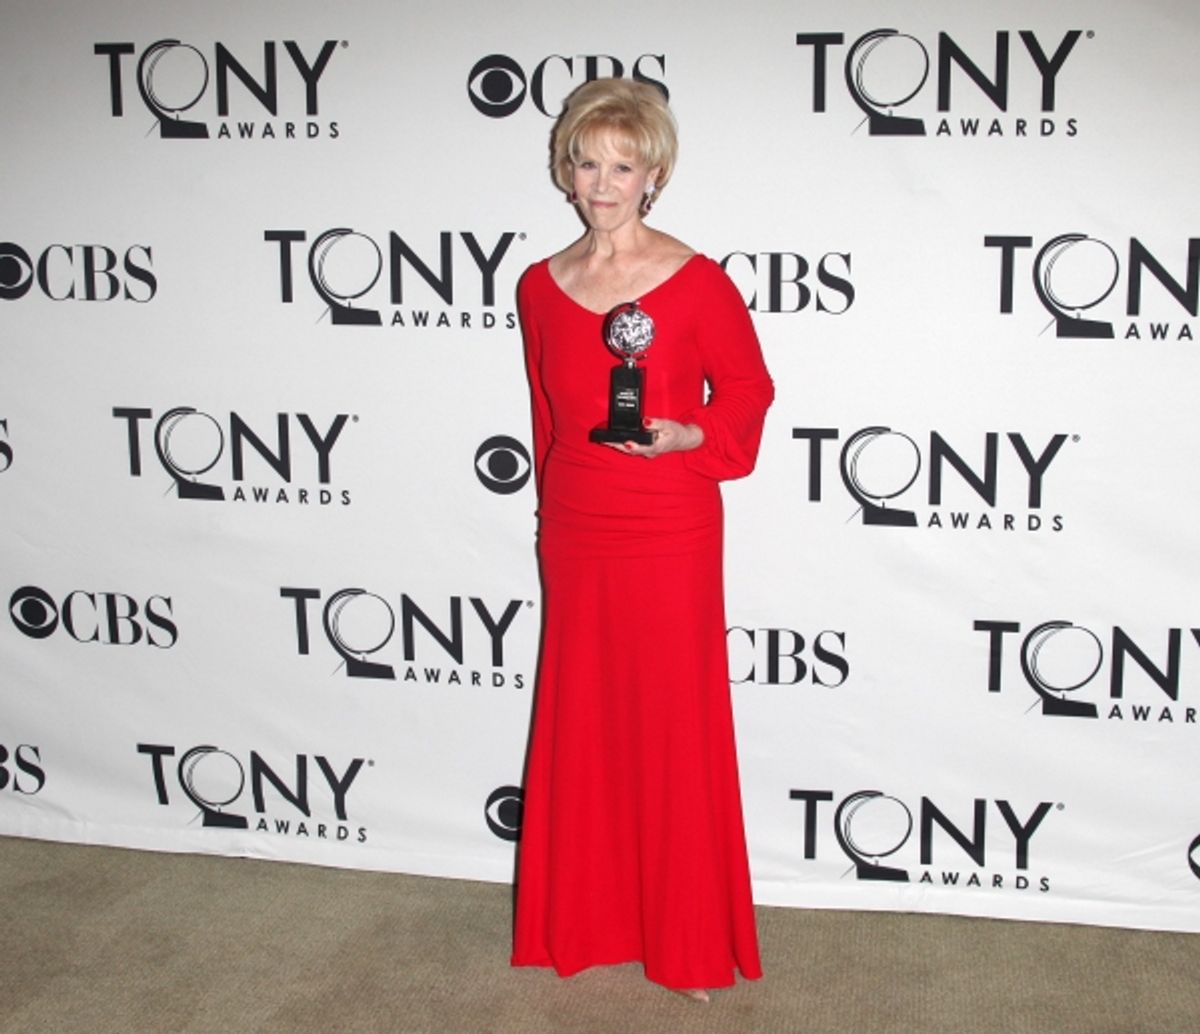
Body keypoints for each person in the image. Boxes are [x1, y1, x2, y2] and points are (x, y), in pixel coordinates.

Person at [511, 77, 773, 1002]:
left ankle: (685, 939)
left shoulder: (698, 282)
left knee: (671, 724)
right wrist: (550, 518)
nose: (603, 181)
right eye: (587, 161)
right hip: (579, 526)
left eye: (623, 164)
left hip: (668, 523)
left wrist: (691, 433)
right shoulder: (539, 288)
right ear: (565, 169)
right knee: (584, 719)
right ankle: (583, 922)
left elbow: (747, 392)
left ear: (653, 172)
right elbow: (546, 417)